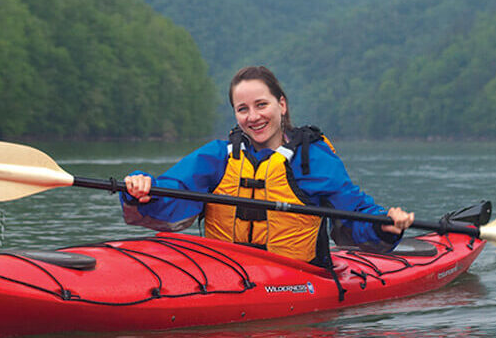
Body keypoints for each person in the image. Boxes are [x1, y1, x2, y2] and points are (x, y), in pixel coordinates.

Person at [121, 65, 415, 268]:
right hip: (223, 271)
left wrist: (383, 224)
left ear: (281, 105)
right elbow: (174, 191)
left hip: (298, 279)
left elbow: (354, 213)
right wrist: (143, 188)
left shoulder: (312, 160)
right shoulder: (218, 157)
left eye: (261, 105)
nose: (253, 117)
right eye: (243, 109)